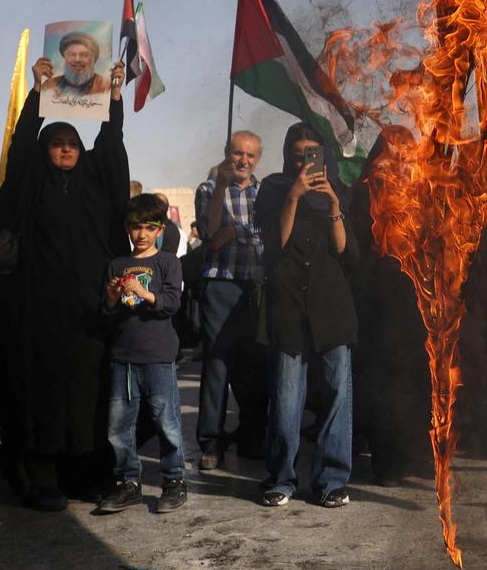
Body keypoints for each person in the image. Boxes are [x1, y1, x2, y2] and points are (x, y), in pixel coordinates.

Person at [0, 56, 129, 511]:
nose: (66, 149)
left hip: (89, 313)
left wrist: (115, 99)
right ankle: (43, 479)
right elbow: (22, 145)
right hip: (39, 311)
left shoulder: (96, 184)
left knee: (88, 393)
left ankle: (84, 476)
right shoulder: (31, 185)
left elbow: (111, 146)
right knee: (40, 392)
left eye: (72, 143)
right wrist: (40, 91)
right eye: (57, 143)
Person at [255, 123, 357, 508]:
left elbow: (344, 250)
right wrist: (294, 197)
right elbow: (274, 247)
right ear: (288, 155)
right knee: (286, 395)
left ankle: (332, 481)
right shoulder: (273, 188)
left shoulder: (338, 191)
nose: (305, 160)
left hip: (332, 306)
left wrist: (333, 206)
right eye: (298, 154)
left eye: (312, 153)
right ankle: (281, 478)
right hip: (288, 306)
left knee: (337, 394)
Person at [97, 193, 187, 514]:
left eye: (149, 227)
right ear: (127, 228)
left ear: (160, 229)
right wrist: (110, 298)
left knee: (167, 422)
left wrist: (144, 293)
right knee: (119, 426)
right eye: (136, 227)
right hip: (123, 358)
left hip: (158, 356)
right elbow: (107, 315)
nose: (142, 234)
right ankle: (127, 483)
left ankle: (174, 481)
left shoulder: (167, 262)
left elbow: (172, 303)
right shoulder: (117, 264)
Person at [349, 126, 429, 484]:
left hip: (419, 296)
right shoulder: (364, 192)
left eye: (405, 151)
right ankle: (389, 462)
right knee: (384, 381)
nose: (399, 159)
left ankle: (418, 456)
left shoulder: (424, 190)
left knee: (419, 376)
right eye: (392, 151)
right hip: (378, 295)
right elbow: (357, 244)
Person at [192, 130, 268, 470]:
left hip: (254, 288)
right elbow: (210, 235)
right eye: (238, 153)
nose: (243, 161)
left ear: (258, 160)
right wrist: (222, 188)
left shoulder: (265, 193)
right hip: (220, 286)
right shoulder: (208, 189)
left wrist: (235, 232)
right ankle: (211, 442)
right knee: (217, 367)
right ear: (227, 153)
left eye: (250, 156)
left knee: (254, 367)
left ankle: (252, 437)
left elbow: (267, 234)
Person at [45, 31, 109, 96]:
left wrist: (116, 92)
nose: (77, 60)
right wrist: (37, 84)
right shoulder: (48, 86)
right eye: (71, 54)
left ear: (93, 59)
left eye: (84, 55)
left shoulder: (107, 88)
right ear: (64, 57)